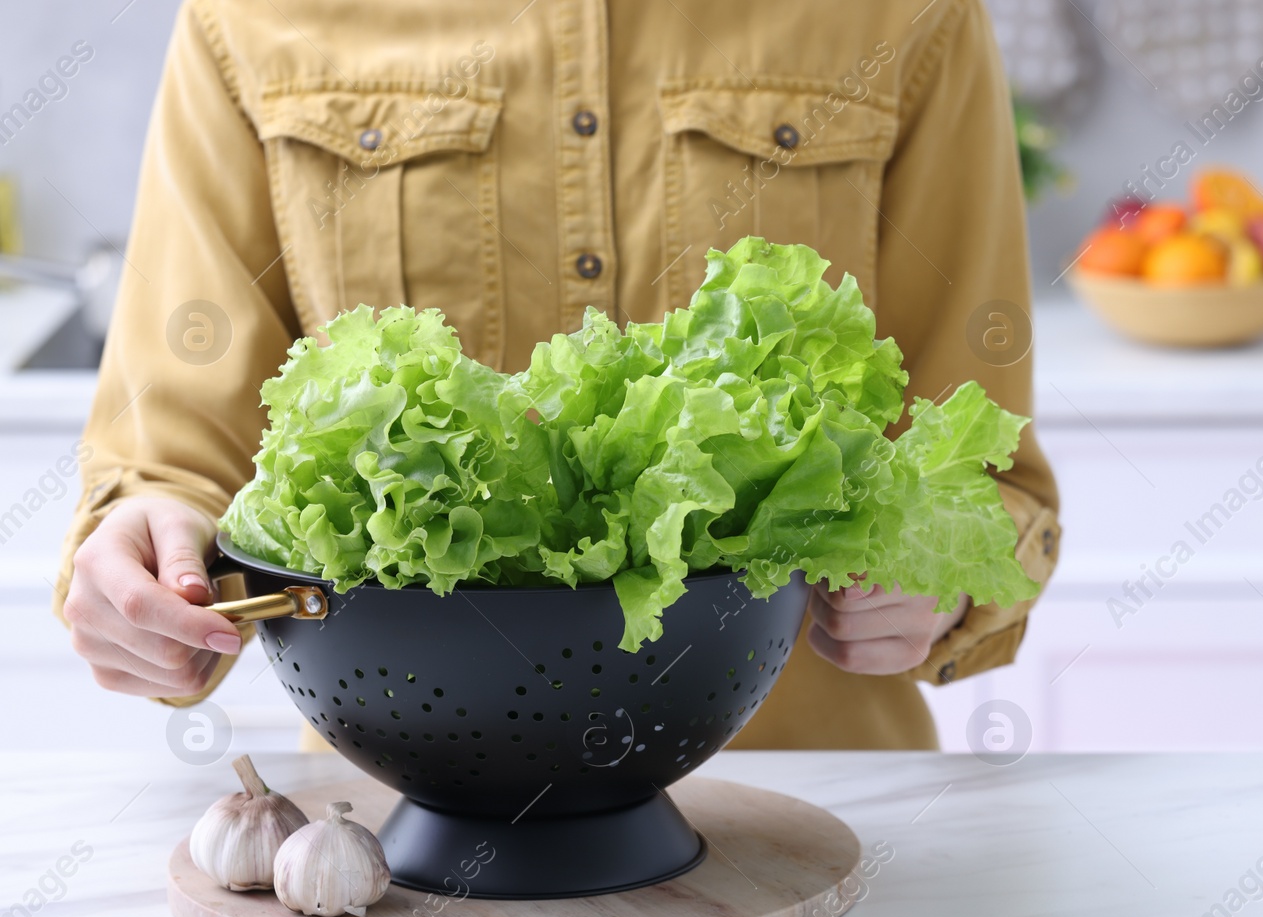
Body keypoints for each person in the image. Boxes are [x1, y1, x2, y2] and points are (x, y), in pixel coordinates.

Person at [56, 0, 1059, 749]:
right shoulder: (254, 16)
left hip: (808, 805)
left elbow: (983, 466)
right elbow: (175, 466)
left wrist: (936, 576)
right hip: (396, 844)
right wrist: (151, 565)